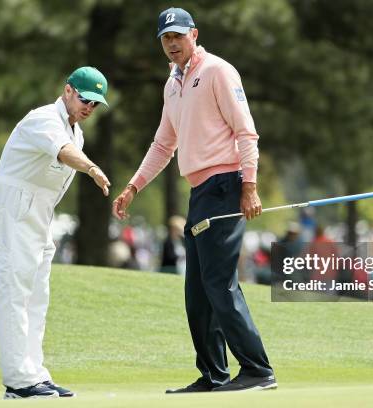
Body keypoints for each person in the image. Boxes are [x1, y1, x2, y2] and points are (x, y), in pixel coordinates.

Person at [113, 8, 276, 393]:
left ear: (194, 35)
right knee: (197, 291)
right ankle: (214, 374)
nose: (172, 44)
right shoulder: (172, 85)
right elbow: (163, 144)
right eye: (166, 38)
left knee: (219, 284)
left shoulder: (218, 71)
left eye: (178, 36)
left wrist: (248, 185)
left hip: (224, 186)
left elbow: (246, 132)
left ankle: (257, 370)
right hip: (200, 192)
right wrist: (134, 186)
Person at [0, 66, 111, 399]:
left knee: (37, 297)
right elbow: (64, 154)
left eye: (96, 104)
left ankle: (34, 373)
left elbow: (70, 149)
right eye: (85, 99)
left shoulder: (76, 131)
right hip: (13, 211)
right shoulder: (44, 119)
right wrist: (92, 168)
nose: (89, 108)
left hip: (40, 217)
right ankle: (18, 381)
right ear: (68, 90)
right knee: (15, 294)